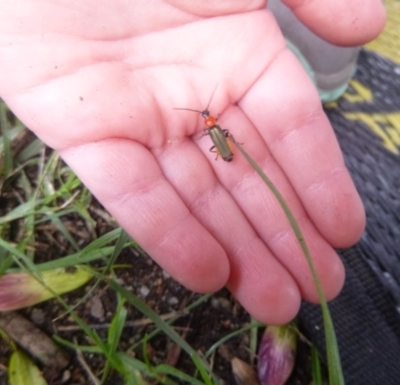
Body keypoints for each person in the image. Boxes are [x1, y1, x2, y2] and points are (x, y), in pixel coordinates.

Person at [0, 0, 386, 324]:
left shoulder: (213, 128)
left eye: (208, 119)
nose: (208, 120)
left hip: (226, 144)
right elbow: (222, 140)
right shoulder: (215, 126)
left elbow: (220, 141)